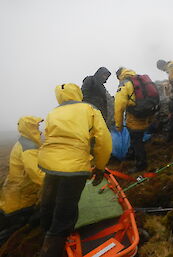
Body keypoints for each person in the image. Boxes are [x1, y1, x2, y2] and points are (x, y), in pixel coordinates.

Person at [38, 83, 112, 257]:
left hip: (48, 163)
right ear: (78, 93)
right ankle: (51, 250)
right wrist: (100, 167)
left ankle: (45, 233)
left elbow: (48, 136)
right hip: (75, 165)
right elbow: (104, 141)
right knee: (66, 209)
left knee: (49, 201)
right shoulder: (89, 109)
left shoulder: (52, 112)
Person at [0, 116, 45, 242]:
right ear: (30, 128)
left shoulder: (22, 142)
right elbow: (37, 175)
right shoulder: (29, 148)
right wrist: (56, 182)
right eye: (36, 127)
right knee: (11, 234)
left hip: (11, 195)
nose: (40, 131)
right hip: (21, 200)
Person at [114, 67, 153, 173]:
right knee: (136, 138)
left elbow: (119, 106)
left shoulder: (124, 84)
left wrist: (119, 125)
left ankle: (141, 164)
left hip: (135, 115)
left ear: (119, 76)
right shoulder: (140, 80)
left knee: (136, 140)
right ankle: (130, 155)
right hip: (148, 113)